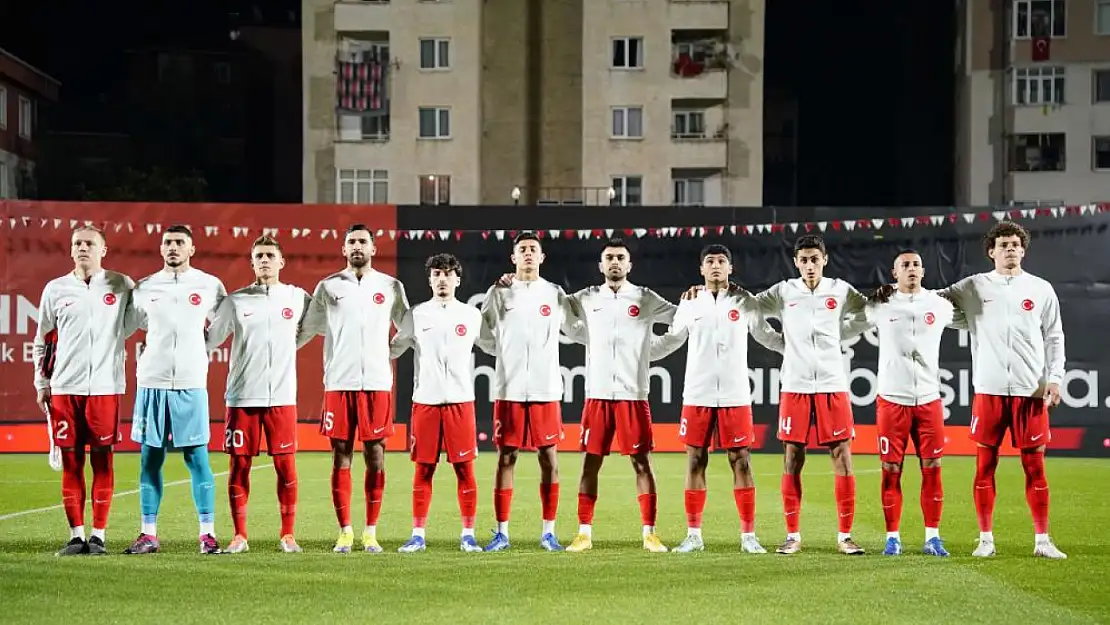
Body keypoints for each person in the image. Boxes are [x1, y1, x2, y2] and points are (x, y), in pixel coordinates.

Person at [939, 221, 1067, 559]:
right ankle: (985, 539)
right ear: (991, 252)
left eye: (1015, 244)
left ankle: (1042, 540)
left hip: (1031, 391)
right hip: (990, 389)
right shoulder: (974, 286)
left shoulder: (1041, 289)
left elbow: (1054, 337)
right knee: (985, 466)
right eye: (1003, 244)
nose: (1010, 249)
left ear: (1023, 250)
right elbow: (935, 305)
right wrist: (907, 295)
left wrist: (1056, 378)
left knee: (1035, 467)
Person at [650, 244, 784, 553]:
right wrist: (640, 357)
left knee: (741, 461)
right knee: (695, 460)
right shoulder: (690, 303)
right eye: (709, 261)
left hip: (736, 395)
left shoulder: (744, 301)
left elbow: (766, 335)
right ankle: (694, 535)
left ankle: (748, 536)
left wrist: (798, 350)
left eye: (721, 261)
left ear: (730, 268)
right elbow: (672, 339)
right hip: (697, 393)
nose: (715, 266)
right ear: (701, 269)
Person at [752, 234, 868, 555]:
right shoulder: (784, 291)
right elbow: (751, 311)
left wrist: (839, 334)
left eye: (814, 259)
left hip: (833, 384)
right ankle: (793, 535)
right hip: (796, 385)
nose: (809, 265)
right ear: (796, 262)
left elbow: (867, 312)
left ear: (825, 260)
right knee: (792, 458)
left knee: (842, 456)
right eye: (803, 260)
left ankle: (845, 536)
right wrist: (780, 343)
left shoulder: (840, 290)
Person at [842, 250, 961, 557]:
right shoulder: (879, 304)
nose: (912, 269)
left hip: (929, 399)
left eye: (916, 265)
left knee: (932, 467)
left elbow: (977, 319)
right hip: (892, 400)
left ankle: (932, 537)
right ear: (894, 273)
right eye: (905, 265)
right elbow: (847, 317)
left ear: (923, 271)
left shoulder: (940, 305)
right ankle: (892, 537)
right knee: (890, 468)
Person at [299, 224, 409, 554]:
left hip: (376, 383)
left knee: (376, 455)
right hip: (339, 383)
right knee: (341, 454)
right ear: (344, 250)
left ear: (373, 249)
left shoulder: (390, 286)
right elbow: (307, 328)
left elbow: (408, 324)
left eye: (363, 241)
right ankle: (345, 531)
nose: (357, 246)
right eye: (351, 242)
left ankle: (370, 532)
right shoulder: (328, 286)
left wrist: (389, 351)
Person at [563, 238, 676, 553]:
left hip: (633, 395)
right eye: (609, 257)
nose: (614, 262)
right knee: (590, 463)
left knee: (642, 463)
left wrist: (651, 351)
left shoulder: (644, 297)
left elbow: (681, 322)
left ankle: (649, 534)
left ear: (629, 265)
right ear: (601, 266)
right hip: (597, 394)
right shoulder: (586, 298)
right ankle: (584, 533)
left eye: (620, 257)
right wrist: (584, 337)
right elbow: (557, 308)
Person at [32, 225, 136, 556]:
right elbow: (43, 339)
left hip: (105, 387)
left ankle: (99, 536)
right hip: (65, 387)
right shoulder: (56, 289)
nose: (82, 248)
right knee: (72, 462)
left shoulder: (121, 285)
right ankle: (77, 537)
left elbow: (136, 322)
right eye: (77, 243)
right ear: (70, 249)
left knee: (104, 462)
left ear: (103, 250)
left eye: (89, 243)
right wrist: (42, 382)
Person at [205, 235, 312, 554]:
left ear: (282, 262)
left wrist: (289, 346)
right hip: (242, 398)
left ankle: (288, 534)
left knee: (286, 467)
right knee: (239, 467)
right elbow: (211, 341)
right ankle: (239, 536)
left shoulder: (297, 297)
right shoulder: (236, 301)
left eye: (270, 255)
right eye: (259, 256)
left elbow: (312, 326)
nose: (264, 260)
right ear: (251, 262)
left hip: (281, 398)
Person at [125, 225, 227, 555]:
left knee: (197, 458)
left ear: (191, 249)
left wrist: (202, 346)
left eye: (179, 242)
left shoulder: (209, 285)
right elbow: (130, 324)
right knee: (149, 458)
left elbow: (223, 322)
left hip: (190, 382)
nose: (173, 247)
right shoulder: (145, 287)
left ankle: (208, 534)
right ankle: (148, 533)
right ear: (160, 248)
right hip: (152, 382)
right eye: (167, 242)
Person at [478, 232, 580, 552]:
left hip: (545, 387)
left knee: (548, 457)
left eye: (533, 249)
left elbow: (576, 328)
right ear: (513, 257)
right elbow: (482, 334)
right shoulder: (499, 292)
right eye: (521, 249)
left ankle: (548, 532)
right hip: (509, 388)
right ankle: (501, 533)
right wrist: (504, 353)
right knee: (506, 456)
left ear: (542, 257)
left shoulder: (554, 293)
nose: (527, 254)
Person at [390, 254, 488, 553]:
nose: (442, 279)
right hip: (426, 403)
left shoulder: (471, 315)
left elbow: (493, 345)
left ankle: (468, 534)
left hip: (461, 402)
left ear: (458, 279)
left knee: (464, 471)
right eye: (437, 274)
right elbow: (394, 348)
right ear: (430, 279)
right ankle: (418, 535)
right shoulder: (416, 315)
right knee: (424, 470)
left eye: (448, 273)